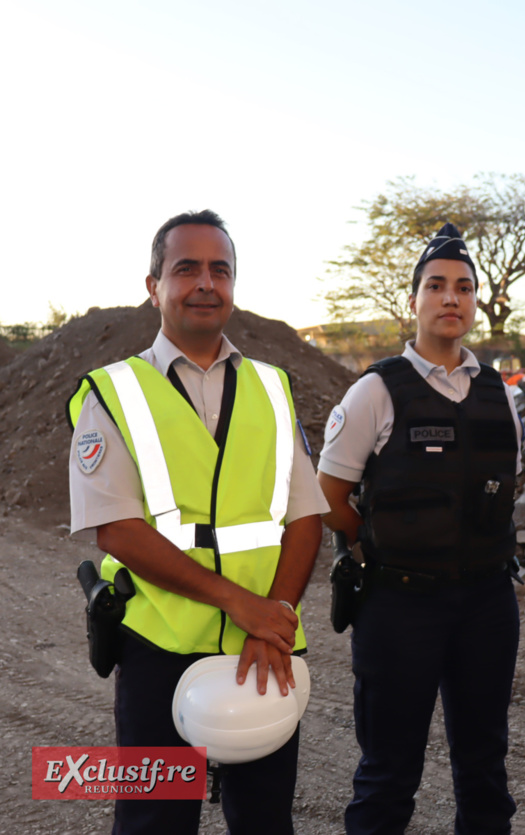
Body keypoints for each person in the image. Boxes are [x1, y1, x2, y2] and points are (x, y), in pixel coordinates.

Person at [67, 209, 329, 835]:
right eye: (186, 268)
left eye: (221, 269)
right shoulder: (113, 392)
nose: (206, 283)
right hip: (159, 649)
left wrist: (274, 617)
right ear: (153, 286)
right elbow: (117, 529)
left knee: (265, 819)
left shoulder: (273, 388)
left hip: (264, 647)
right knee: (155, 819)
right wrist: (242, 605)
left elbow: (305, 518)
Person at [317, 222, 523, 835]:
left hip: (487, 603)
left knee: (485, 770)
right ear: (413, 301)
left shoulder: (500, 395)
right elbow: (328, 497)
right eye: (436, 286)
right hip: (399, 605)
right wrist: (375, 541)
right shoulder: (375, 392)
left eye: (464, 286)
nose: (451, 298)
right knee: (388, 775)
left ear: (476, 301)